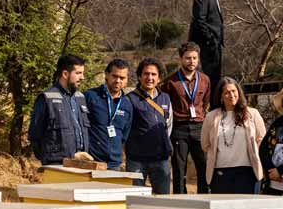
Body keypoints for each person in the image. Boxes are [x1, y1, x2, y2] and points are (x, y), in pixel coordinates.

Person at [201, 77, 266, 194]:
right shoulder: (211, 117)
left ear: (239, 92)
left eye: (234, 91)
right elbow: (205, 144)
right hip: (220, 173)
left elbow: (262, 139)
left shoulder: (252, 114)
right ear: (221, 96)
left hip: (247, 171)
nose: (231, 95)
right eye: (226, 92)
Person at [162, 42, 211, 194]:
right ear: (181, 59)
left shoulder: (205, 79)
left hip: (199, 127)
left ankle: (204, 199)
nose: (192, 61)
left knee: (203, 167)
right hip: (179, 128)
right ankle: (180, 201)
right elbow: (165, 104)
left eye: (195, 58)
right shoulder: (170, 81)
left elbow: (206, 103)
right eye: (188, 58)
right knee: (179, 169)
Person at [28, 55, 91, 165]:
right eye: (78, 73)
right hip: (57, 166)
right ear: (65, 74)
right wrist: (55, 158)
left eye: (82, 73)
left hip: (81, 165)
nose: (82, 77)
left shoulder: (80, 98)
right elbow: (35, 136)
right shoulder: (47, 98)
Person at [125, 58, 173, 194]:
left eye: (153, 74)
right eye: (146, 74)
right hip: (136, 159)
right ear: (140, 76)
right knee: (134, 199)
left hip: (160, 159)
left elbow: (168, 126)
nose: (149, 77)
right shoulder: (130, 99)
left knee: (162, 200)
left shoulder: (166, 98)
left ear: (159, 78)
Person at [188, 0, 231, 106]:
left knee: (215, 79)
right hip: (207, 45)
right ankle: (212, 109)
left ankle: (215, 106)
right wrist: (211, 40)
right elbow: (199, 19)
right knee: (210, 79)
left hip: (213, 45)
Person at [84, 58, 133, 171]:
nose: (118, 81)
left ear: (126, 80)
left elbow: (124, 134)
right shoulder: (90, 96)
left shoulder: (127, 104)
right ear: (106, 75)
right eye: (114, 76)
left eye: (122, 78)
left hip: (114, 164)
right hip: (91, 162)